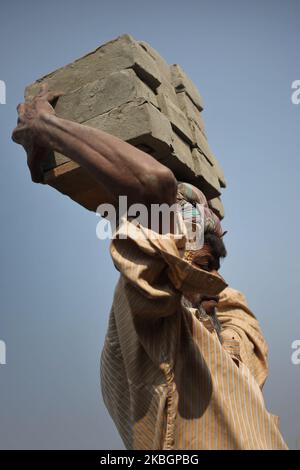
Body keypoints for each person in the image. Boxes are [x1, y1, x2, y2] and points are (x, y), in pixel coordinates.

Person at [12, 85, 288, 450]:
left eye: (215, 268)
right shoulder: (152, 323)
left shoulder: (237, 367)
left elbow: (231, 304)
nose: (216, 282)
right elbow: (152, 183)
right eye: (203, 268)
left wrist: (202, 203)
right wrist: (46, 128)